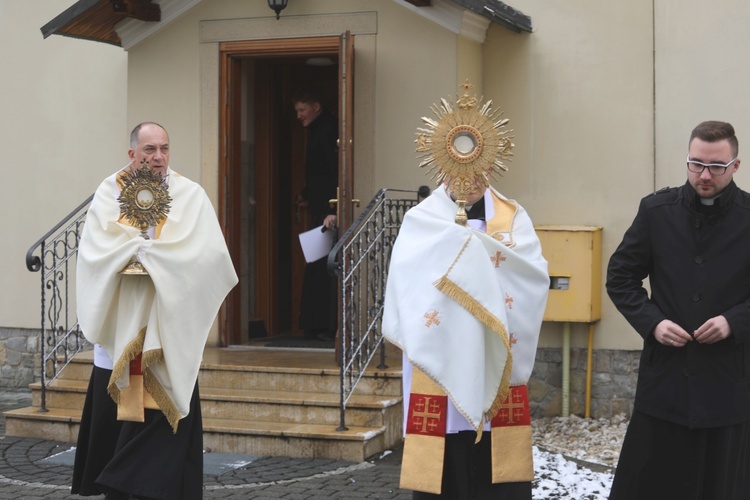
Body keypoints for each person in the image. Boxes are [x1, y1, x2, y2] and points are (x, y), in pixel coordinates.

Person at [71, 122, 238, 499]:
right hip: (122, 332)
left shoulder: (189, 195)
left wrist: (159, 259)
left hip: (167, 330)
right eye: (149, 150)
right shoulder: (108, 191)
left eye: (163, 148)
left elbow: (211, 254)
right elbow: (96, 249)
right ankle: (118, 485)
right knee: (120, 411)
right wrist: (136, 250)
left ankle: (150, 486)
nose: (158, 157)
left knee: (165, 416)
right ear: (132, 154)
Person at [606, 120, 750, 499]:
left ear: (735, 166)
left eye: (716, 166)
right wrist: (653, 323)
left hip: (728, 381)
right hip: (666, 381)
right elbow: (620, 277)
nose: (704, 175)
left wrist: (734, 321)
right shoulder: (656, 211)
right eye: (695, 164)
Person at [382, 176, 549, 499]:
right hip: (439, 357)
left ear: (489, 166)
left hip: (492, 355)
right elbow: (406, 284)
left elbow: (533, 277)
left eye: (476, 168)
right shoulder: (423, 219)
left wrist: (477, 261)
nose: (467, 178)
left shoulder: (513, 219)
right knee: (444, 477)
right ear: (442, 168)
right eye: (458, 168)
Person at [292, 85, 339, 341]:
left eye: (302, 109)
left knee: (323, 266)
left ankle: (324, 326)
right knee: (316, 263)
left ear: (316, 107)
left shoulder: (329, 129)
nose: (299, 115)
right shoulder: (318, 130)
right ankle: (315, 324)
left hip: (327, 212)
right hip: (319, 207)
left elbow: (334, 173)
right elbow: (318, 174)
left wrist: (332, 209)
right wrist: (306, 195)